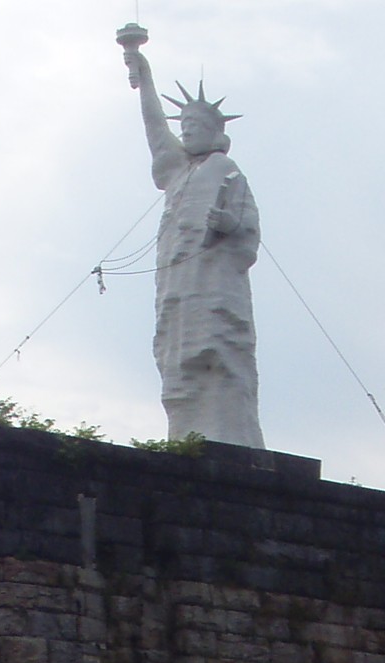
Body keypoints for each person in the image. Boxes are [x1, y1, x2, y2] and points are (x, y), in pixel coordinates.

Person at [121, 36, 265, 449]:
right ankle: (186, 438)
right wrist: (143, 75)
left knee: (217, 352)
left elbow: (248, 229)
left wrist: (229, 224)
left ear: (217, 132)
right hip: (177, 285)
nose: (187, 133)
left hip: (215, 282)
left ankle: (233, 439)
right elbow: (153, 127)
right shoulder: (178, 169)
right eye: (184, 127)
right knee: (176, 358)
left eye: (196, 127)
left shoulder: (225, 169)